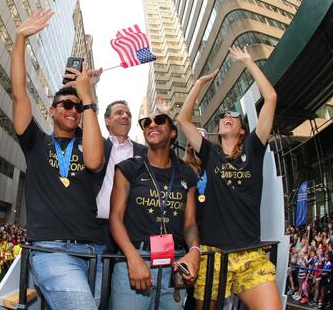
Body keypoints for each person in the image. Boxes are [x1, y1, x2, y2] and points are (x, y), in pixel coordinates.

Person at [11, 9, 104, 310]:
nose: (72, 109)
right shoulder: (36, 142)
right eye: (65, 103)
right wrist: (20, 40)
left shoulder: (89, 140)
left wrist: (87, 97)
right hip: (51, 251)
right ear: (51, 110)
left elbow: (93, 162)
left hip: (94, 253)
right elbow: (19, 93)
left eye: (78, 107)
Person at [176, 45, 280, 309]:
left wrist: (248, 62)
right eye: (223, 116)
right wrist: (198, 84)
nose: (226, 117)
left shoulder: (254, 150)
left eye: (233, 116)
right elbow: (183, 119)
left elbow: (271, 97)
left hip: (250, 255)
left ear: (243, 130)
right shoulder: (209, 153)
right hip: (213, 256)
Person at [109, 112, 200, 309]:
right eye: (146, 123)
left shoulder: (187, 173)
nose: (151, 124)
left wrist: (194, 250)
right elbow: (115, 218)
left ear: (173, 133)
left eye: (159, 121)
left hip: (174, 264)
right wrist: (133, 258)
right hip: (134, 261)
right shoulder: (128, 168)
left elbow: (190, 223)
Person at [91, 100, 147, 305]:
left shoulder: (144, 152)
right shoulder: (96, 146)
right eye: (119, 113)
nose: (125, 116)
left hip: (129, 232)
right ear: (107, 120)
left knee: (126, 288)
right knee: (98, 289)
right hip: (96, 230)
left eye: (128, 114)